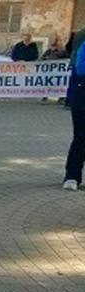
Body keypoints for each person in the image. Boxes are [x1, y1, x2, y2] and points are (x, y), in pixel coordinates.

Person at [64, 43, 85, 190]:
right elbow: (80, 68)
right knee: (80, 138)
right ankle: (72, 177)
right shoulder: (83, 44)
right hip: (82, 97)